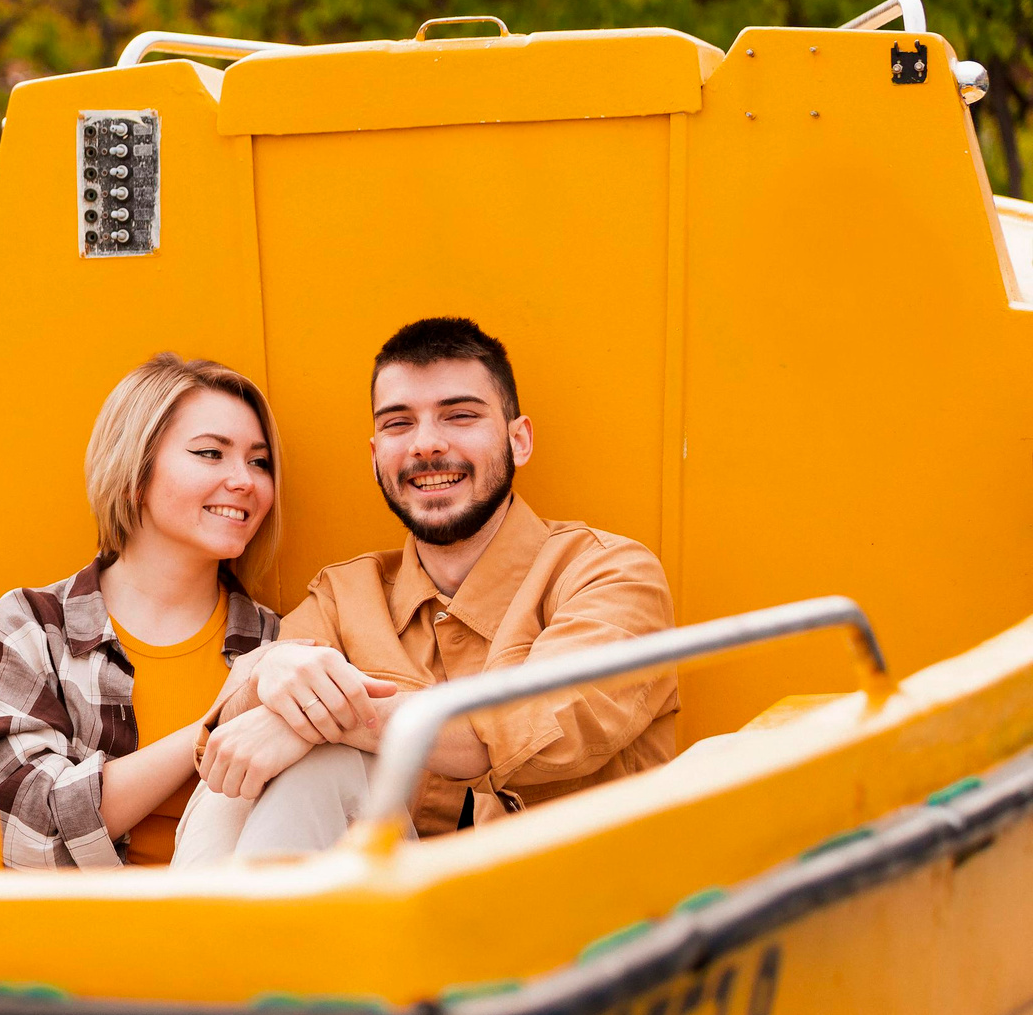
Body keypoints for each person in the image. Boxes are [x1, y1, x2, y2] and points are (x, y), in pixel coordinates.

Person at [175, 316, 677, 866]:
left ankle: (219, 948)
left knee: (309, 747)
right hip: (390, 922)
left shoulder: (609, 573)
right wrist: (270, 670)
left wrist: (320, 718)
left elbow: (526, 731)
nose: (428, 445)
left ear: (519, 439)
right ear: (374, 456)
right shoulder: (346, 593)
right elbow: (227, 739)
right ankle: (209, 947)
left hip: (565, 918)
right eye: (398, 424)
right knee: (249, 779)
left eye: (459, 416)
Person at [0, 354, 294, 869]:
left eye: (259, 462)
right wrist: (211, 728)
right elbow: (17, 831)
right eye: (210, 454)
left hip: (237, 931)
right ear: (134, 473)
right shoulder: (33, 628)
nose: (245, 481)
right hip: (80, 937)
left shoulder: (276, 644)